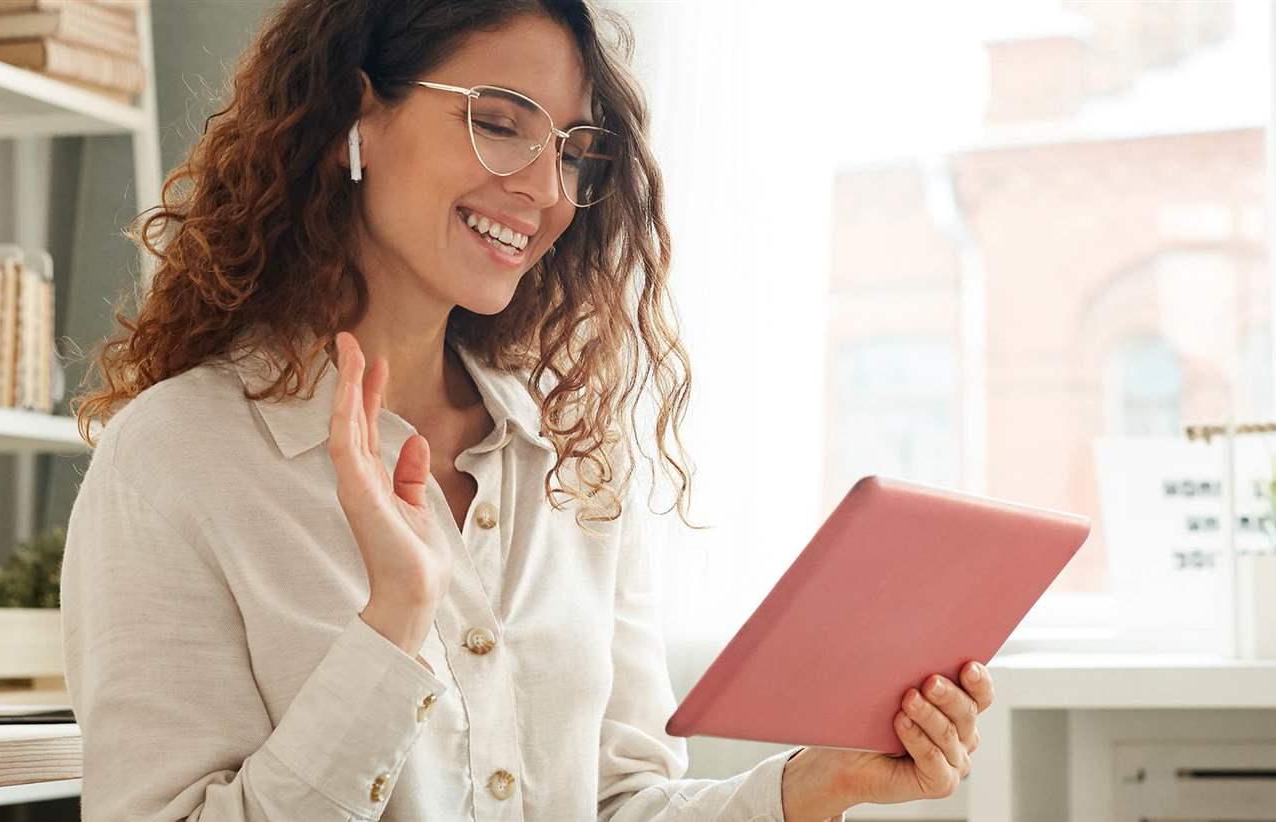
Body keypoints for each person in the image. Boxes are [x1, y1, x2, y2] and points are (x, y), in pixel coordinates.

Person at [61, 1, 996, 819]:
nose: (547, 195)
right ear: (354, 117)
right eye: (501, 124)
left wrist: (814, 786)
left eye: (572, 153)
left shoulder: (576, 464)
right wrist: (393, 625)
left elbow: (621, 803)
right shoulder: (177, 459)